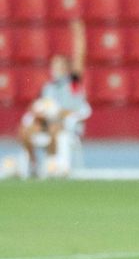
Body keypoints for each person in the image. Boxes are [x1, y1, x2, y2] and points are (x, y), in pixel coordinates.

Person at [18, 19, 91, 178]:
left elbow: (80, 57)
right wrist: (37, 112)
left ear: (66, 68)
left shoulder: (73, 83)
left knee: (54, 129)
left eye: (58, 66)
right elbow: (36, 105)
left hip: (65, 123)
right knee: (24, 131)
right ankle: (33, 163)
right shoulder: (48, 87)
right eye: (53, 65)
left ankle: (52, 164)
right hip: (45, 121)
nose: (55, 69)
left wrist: (79, 34)